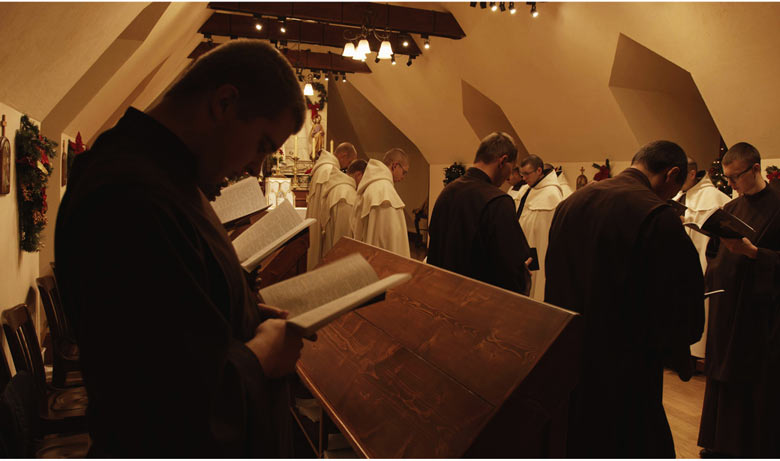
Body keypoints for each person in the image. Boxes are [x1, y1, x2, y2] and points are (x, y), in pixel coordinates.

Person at [54, 40, 306, 457]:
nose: (255, 167)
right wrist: (263, 352)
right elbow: (165, 403)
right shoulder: (128, 195)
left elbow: (172, 308)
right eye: (262, 144)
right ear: (224, 103)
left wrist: (243, 314)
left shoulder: (166, 175)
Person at [544, 140, 704, 458]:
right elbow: (680, 299)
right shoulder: (657, 214)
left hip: (573, 351)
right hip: (625, 364)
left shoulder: (574, 202)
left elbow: (555, 271)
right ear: (672, 174)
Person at [697, 142, 780, 458]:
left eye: (735, 178)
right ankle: (723, 443)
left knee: (755, 382)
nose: (729, 185)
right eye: (727, 178)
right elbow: (714, 254)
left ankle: (753, 447)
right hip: (727, 308)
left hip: (762, 314)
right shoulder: (730, 210)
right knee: (723, 376)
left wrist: (755, 253)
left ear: (755, 169)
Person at [428, 132, 532, 295]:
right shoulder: (498, 201)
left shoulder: (447, 192)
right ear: (502, 161)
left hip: (441, 293)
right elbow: (511, 272)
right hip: (478, 304)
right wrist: (523, 273)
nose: (507, 178)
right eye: (510, 170)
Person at [673, 157, 731, 359]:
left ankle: (695, 353)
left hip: (700, 262)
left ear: (691, 174)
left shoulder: (715, 198)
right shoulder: (678, 195)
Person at [516, 155, 563, 301]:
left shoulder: (552, 194)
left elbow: (545, 232)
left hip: (538, 250)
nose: (523, 178)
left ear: (539, 170)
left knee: (536, 288)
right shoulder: (526, 190)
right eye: (522, 174)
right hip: (523, 247)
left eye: (527, 174)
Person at [305, 143, 357, 269]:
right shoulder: (329, 171)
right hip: (321, 224)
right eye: (349, 162)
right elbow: (327, 202)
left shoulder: (321, 168)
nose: (347, 167)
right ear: (343, 155)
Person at [351, 148, 410, 257]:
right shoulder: (385, 192)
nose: (403, 177)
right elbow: (390, 243)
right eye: (404, 172)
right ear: (395, 165)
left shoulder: (370, 186)